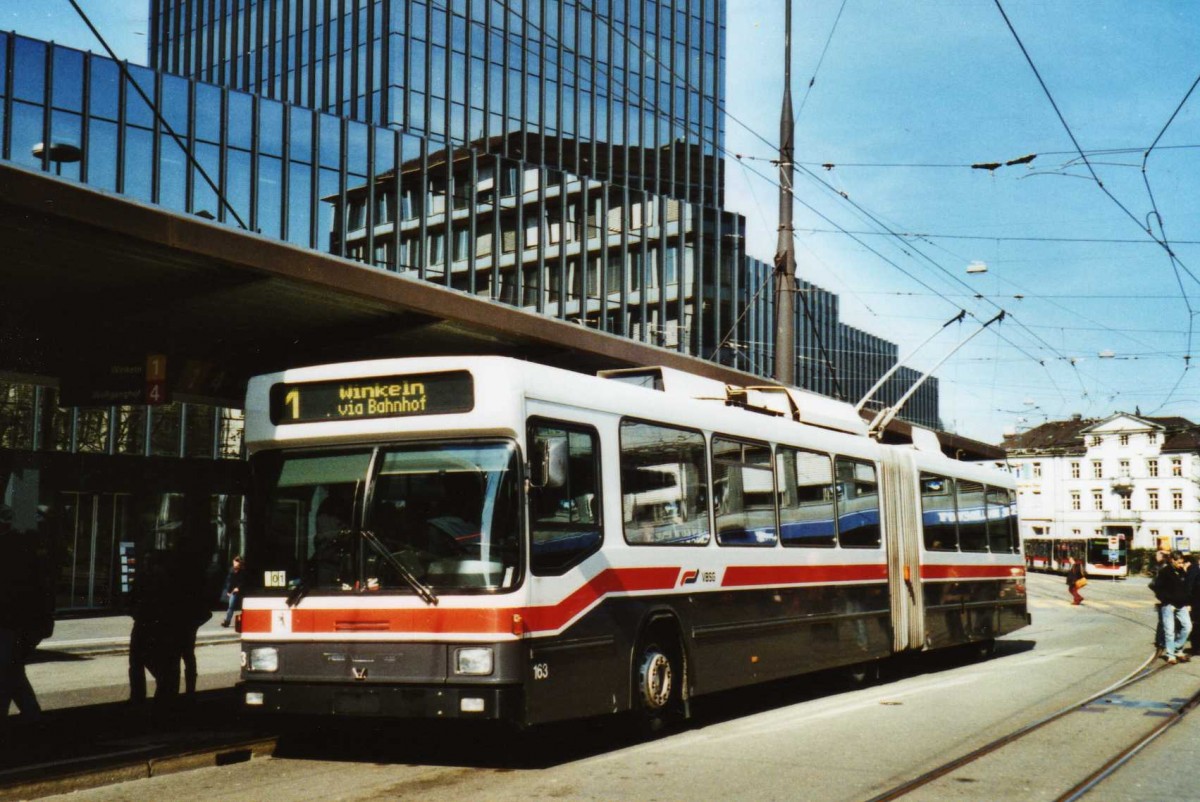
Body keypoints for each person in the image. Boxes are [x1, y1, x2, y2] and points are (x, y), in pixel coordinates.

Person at [0, 507, 54, 737]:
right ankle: (33, 718)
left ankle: (32, 718)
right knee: (12, 672)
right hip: (20, 623)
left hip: (10, 622)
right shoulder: (31, 551)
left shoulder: (11, 549)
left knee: (8, 672)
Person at [1154, 550, 1193, 665]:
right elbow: (1158, 589)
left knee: (1187, 627)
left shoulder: (1181, 571)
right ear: (1172, 560)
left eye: (1182, 562)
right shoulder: (1164, 572)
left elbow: (1186, 589)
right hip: (1169, 605)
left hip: (1181, 604)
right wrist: (1167, 601)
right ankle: (1171, 655)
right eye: (1179, 562)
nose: (1181, 564)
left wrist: (1188, 603)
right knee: (1169, 631)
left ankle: (1175, 647)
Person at [221, 555, 245, 627]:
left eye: (236, 563)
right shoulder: (231, 570)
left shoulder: (242, 571)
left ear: (239, 563)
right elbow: (230, 581)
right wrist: (229, 591)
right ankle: (227, 621)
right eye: (234, 562)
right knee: (231, 606)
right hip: (233, 591)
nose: (234, 564)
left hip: (240, 590)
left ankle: (242, 621)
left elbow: (243, 581)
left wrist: (238, 587)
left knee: (242, 606)